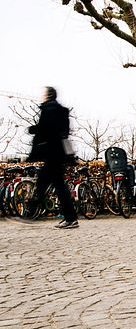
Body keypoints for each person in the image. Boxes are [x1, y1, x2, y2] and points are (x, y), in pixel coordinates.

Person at [26, 87, 78, 229]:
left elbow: (45, 129)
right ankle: (70, 218)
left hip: (51, 154)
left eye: (43, 93)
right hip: (59, 154)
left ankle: (30, 213)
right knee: (56, 185)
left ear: (48, 95)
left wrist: (33, 129)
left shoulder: (48, 109)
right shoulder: (62, 111)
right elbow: (64, 133)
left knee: (46, 184)